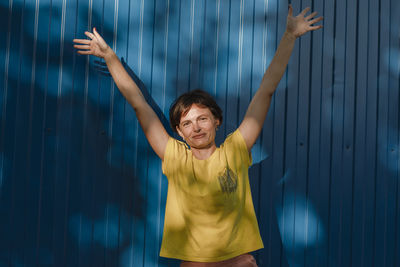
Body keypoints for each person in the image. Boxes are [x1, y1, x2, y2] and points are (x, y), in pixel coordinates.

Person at [73, 5, 322, 267]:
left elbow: (266, 91)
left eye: (202, 119)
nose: (196, 127)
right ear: (179, 132)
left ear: (216, 121)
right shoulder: (175, 157)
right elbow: (139, 105)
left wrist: (289, 37)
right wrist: (110, 57)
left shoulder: (234, 151)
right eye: (187, 123)